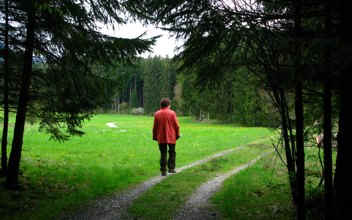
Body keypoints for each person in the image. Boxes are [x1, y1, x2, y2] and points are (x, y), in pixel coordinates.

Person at [153, 98, 180, 176]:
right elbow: (177, 126)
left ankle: (163, 171)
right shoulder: (172, 113)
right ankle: (171, 169)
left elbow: (155, 127)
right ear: (168, 105)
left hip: (161, 137)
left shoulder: (157, 114)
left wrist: (155, 136)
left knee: (163, 153)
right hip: (171, 136)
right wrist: (177, 135)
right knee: (172, 152)